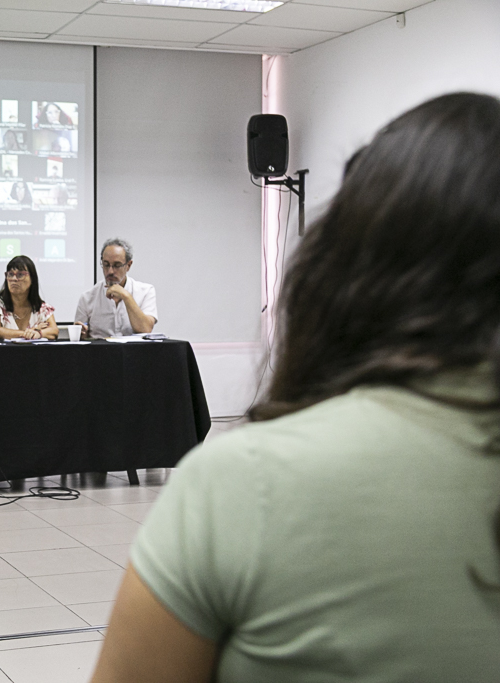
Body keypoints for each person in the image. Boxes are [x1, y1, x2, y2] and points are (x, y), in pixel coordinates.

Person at [90, 93, 500, 683]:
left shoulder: (243, 482)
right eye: (107, 263)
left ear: (344, 268)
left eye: (118, 263)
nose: (112, 269)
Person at [75, 238, 156, 338]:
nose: (110, 271)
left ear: (128, 265)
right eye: (106, 265)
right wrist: (82, 333)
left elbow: (146, 329)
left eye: (117, 265)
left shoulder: (146, 291)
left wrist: (126, 296)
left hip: (133, 348)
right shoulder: (87, 298)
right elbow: (81, 337)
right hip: (101, 347)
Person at [0, 255, 58, 340]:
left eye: (20, 275)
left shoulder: (42, 308)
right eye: (10, 274)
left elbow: (54, 332)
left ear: (32, 279)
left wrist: (38, 333)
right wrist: (28, 333)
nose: (14, 279)